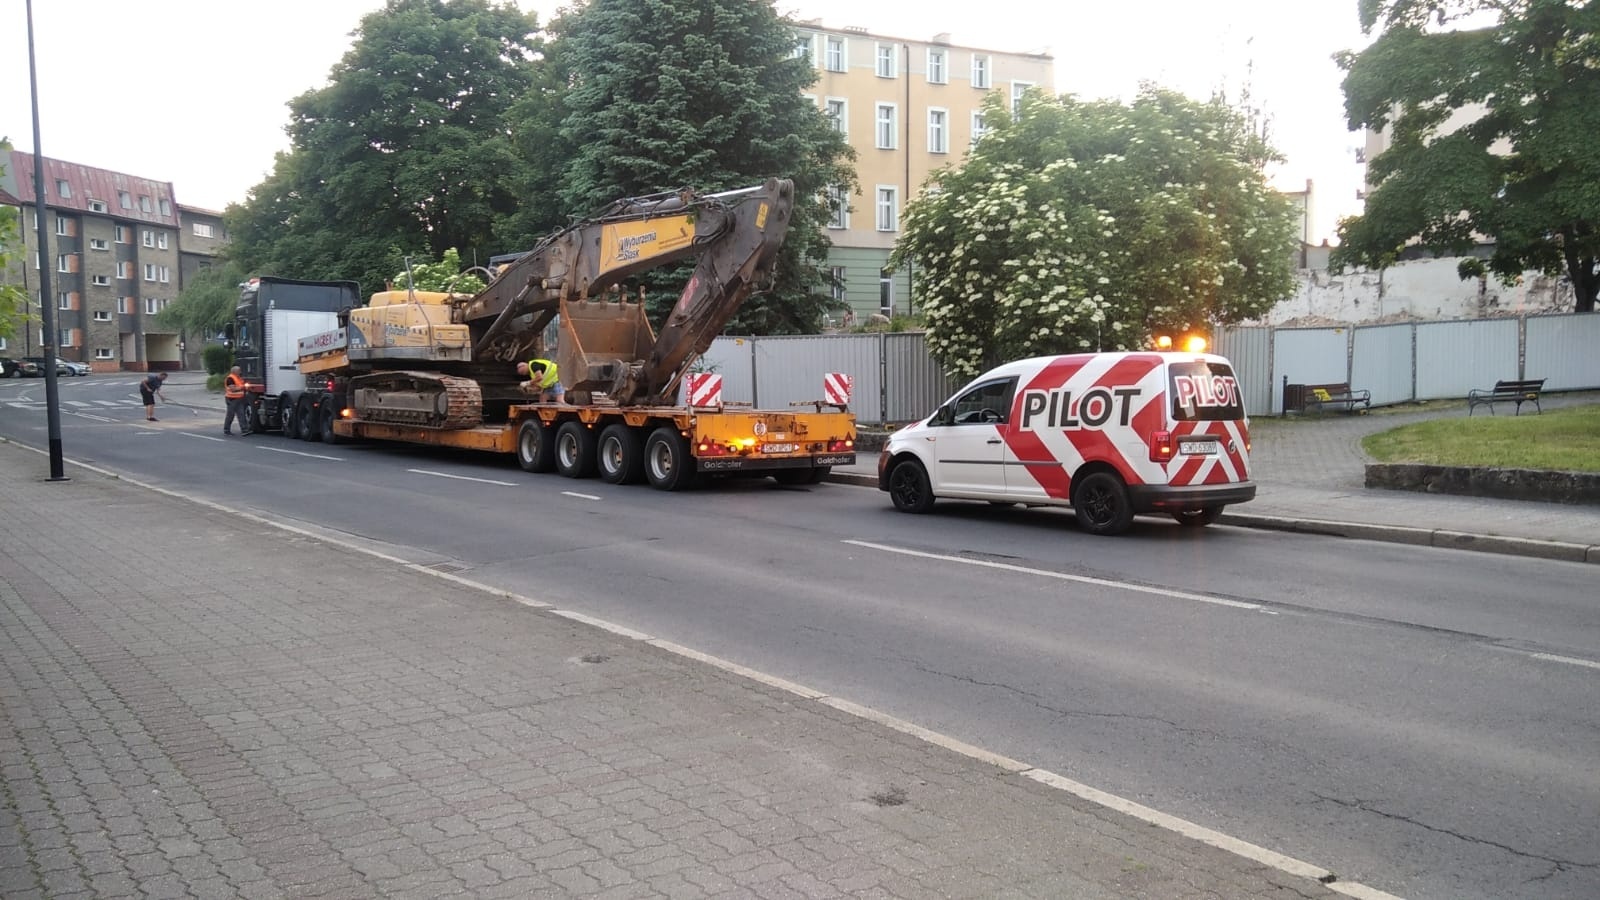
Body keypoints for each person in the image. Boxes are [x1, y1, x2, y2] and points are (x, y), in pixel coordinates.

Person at [223, 366, 251, 435]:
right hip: (231, 399)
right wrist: (243, 387)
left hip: (239, 399)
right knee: (230, 415)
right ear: (234, 371)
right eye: (239, 370)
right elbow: (233, 389)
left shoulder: (238, 378)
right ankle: (226, 430)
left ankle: (244, 430)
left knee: (241, 414)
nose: (240, 372)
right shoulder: (230, 378)